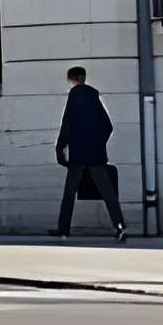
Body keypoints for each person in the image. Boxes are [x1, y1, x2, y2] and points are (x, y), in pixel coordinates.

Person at [53, 65, 126, 241]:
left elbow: (67, 123)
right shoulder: (94, 96)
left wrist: (60, 147)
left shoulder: (74, 95)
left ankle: (63, 230)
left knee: (69, 193)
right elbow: (108, 126)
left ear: (71, 79)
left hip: (78, 154)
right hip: (96, 154)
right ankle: (120, 227)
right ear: (84, 77)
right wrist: (98, 143)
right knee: (108, 193)